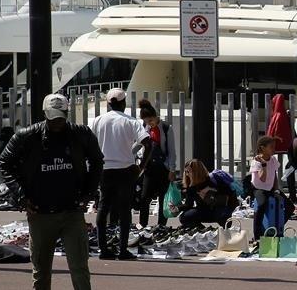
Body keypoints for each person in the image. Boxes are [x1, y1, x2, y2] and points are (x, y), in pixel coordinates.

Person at [0, 94, 105, 290]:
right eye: (53, 118)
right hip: (40, 213)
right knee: (41, 271)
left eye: (61, 118)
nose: (57, 123)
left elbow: (97, 162)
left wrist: (88, 193)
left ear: (67, 113)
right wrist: (22, 197)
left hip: (71, 212)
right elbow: (5, 162)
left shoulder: (81, 134)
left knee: (80, 270)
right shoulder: (27, 136)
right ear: (45, 114)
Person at [88, 88, 152, 260]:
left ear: (109, 104)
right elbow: (148, 144)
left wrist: (94, 165)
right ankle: (123, 250)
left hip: (105, 170)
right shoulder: (131, 122)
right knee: (125, 210)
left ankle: (103, 249)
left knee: (103, 208)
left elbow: (88, 144)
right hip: (126, 170)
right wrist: (141, 167)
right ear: (123, 103)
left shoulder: (97, 121)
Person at [135, 100, 174, 229]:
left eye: (150, 120)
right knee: (145, 197)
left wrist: (171, 169)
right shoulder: (144, 128)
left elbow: (171, 151)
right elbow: (139, 146)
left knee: (163, 198)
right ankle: (143, 224)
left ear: (155, 116)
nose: (149, 124)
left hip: (163, 167)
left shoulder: (166, 128)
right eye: (146, 121)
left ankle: (161, 225)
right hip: (149, 167)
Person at [178, 159, 237, 227]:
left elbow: (229, 197)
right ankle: (202, 231)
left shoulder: (212, 180)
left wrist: (211, 193)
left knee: (224, 218)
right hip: (204, 211)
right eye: (186, 172)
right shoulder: (191, 186)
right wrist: (177, 208)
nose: (187, 175)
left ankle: (225, 232)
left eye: (189, 172)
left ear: (197, 172)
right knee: (184, 217)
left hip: (218, 210)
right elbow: (188, 204)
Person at [250, 136, 283, 239]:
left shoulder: (273, 159)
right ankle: (257, 235)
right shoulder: (257, 161)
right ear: (262, 148)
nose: (273, 149)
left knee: (289, 206)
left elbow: (274, 176)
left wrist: (277, 189)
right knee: (262, 204)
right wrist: (263, 164)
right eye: (271, 147)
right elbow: (262, 179)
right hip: (259, 189)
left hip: (270, 189)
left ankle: (276, 226)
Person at [265, 93, 294, 159]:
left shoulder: (278, 115)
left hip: (278, 142)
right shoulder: (283, 114)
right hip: (284, 142)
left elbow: (276, 129)